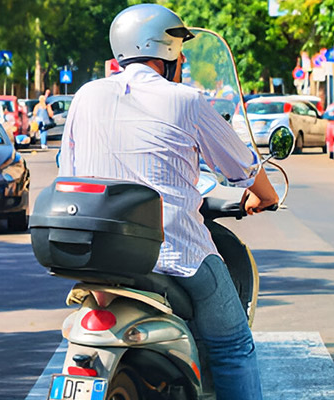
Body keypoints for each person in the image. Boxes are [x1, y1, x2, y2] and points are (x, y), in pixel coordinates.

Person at [59, 4, 278, 399]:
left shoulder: (85, 96)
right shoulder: (186, 100)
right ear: (168, 51)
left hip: (94, 253)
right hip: (176, 254)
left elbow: (67, 169)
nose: (184, 62)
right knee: (232, 347)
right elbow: (241, 165)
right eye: (182, 52)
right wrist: (266, 194)